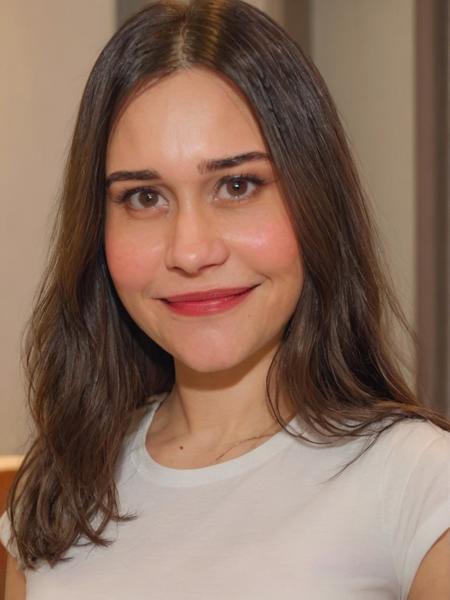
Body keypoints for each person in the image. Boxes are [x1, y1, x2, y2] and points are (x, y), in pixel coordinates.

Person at [1, 1, 449, 598]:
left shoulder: (419, 483)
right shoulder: (55, 493)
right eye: (143, 197)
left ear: (315, 200)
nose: (190, 250)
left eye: (237, 185)